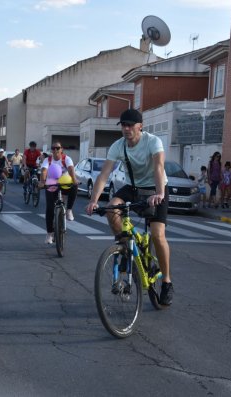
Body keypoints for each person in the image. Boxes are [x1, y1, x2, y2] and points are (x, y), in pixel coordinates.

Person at [85, 108, 173, 306]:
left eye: (130, 125)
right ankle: (125, 246)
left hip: (157, 188)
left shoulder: (153, 141)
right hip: (134, 187)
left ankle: (167, 281)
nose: (126, 129)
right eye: (123, 125)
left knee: (158, 235)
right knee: (112, 208)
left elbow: (158, 167)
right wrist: (93, 200)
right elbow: (104, 175)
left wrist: (159, 193)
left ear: (140, 126)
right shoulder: (118, 146)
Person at [38, 141, 78, 244]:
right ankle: (49, 234)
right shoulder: (48, 160)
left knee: (75, 186)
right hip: (51, 184)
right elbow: (44, 171)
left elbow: (71, 169)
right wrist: (42, 181)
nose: (55, 150)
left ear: (61, 149)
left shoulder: (66, 159)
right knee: (50, 209)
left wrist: (74, 180)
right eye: (53, 148)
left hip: (64, 183)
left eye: (57, 148)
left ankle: (69, 210)